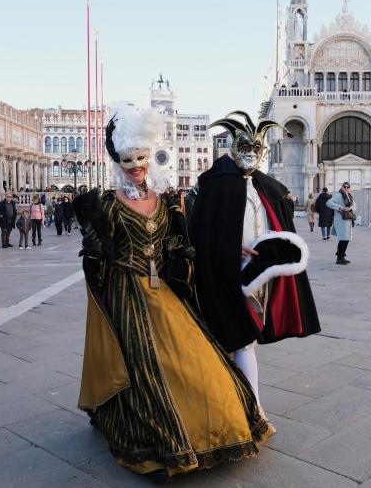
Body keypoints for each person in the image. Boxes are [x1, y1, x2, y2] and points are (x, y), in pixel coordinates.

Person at [74, 106, 273, 479]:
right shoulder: (106, 205)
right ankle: (162, 442)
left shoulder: (167, 202)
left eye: (141, 157)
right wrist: (95, 244)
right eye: (129, 159)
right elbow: (97, 261)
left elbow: (188, 241)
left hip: (164, 292)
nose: (136, 165)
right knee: (142, 366)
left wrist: (230, 246)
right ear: (118, 159)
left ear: (150, 156)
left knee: (197, 361)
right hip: (125, 295)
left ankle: (222, 423)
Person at [190, 110, 320, 408]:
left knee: (246, 339)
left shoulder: (266, 186)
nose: (251, 154)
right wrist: (229, 245)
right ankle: (249, 408)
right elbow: (200, 230)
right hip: (227, 273)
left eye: (256, 149)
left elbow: (278, 223)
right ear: (235, 147)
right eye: (245, 148)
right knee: (240, 339)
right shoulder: (216, 184)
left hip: (261, 277)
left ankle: (243, 405)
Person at [326, 182, 356, 265]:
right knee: (343, 239)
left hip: (348, 219)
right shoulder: (338, 195)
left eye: (348, 187)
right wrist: (340, 207)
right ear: (342, 187)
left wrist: (350, 208)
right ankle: (339, 258)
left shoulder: (350, 195)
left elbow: (355, 205)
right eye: (344, 186)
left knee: (346, 239)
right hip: (340, 220)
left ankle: (342, 256)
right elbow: (328, 203)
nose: (346, 188)